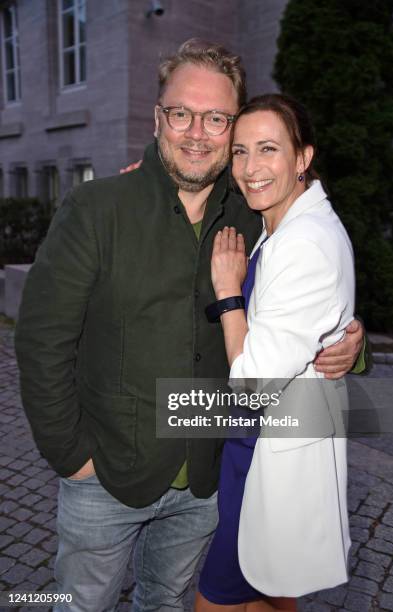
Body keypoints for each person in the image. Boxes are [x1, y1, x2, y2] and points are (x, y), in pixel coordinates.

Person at [15, 40, 364, 612]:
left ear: (234, 127)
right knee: (79, 602)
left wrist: (352, 345)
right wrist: (72, 456)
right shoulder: (98, 208)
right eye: (182, 113)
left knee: (166, 601)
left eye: (217, 118)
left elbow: (303, 303)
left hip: (205, 482)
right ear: (158, 118)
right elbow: (41, 341)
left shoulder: (253, 210)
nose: (197, 133)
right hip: (105, 476)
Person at [196, 94, 356, 612]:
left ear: (303, 157)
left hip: (267, 447)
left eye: (268, 149)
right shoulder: (280, 223)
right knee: (269, 588)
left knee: (216, 600)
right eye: (240, 152)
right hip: (254, 446)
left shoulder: (304, 240)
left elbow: (253, 386)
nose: (250, 168)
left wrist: (228, 294)